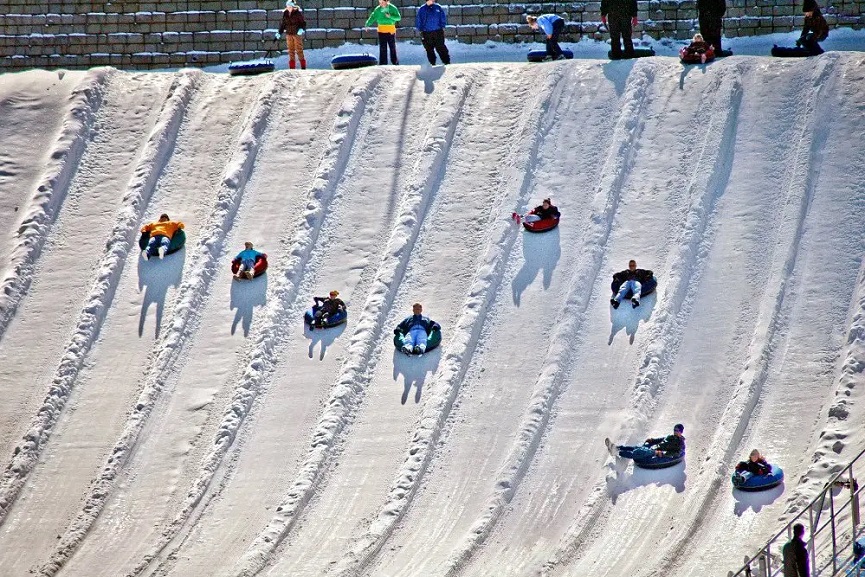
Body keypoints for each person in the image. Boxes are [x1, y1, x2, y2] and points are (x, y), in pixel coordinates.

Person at [606, 423, 686, 461]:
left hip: (657, 453)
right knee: (636, 448)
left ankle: (617, 452)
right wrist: (653, 440)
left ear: (681, 432)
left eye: (677, 430)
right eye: (674, 430)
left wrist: (663, 453)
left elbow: (676, 453)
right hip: (654, 448)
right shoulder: (671, 436)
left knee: (638, 452)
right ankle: (617, 447)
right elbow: (662, 439)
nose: (675, 431)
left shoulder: (680, 443)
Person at [366, 0, 401, 65]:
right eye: (379, 2)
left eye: (382, 2)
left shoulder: (392, 8)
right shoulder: (377, 9)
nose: (380, 4)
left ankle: (395, 63)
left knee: (392, 47)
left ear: (387, 1)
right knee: (382, 48)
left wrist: (390, 16)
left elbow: (398, 18)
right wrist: (367, 24)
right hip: (381, 31)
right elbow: (372, 17)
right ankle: (383, 64)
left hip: (390, 31)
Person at [416, 0, 450, 65]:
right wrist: (420, 29)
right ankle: (432, 63)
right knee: (429, 49)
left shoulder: (438, 7)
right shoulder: (422, 9)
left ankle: (446, 61)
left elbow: (442, 17)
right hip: (427, 32)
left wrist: (442, 26)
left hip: (438, 31)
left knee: (440, 47)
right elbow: (419, 20)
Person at [276, 0, 307, 70]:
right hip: (289, 34)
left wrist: (301, 29)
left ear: (293, 7)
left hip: (296, 34)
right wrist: (279, 33)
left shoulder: (297, 13)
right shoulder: (285, 13)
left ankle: (303, 67)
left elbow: (303, 23)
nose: (289, 8)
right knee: (290, 50)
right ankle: (292, 68)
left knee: (299, 49)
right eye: (287, 6)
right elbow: (283, 24)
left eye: (290, 6)